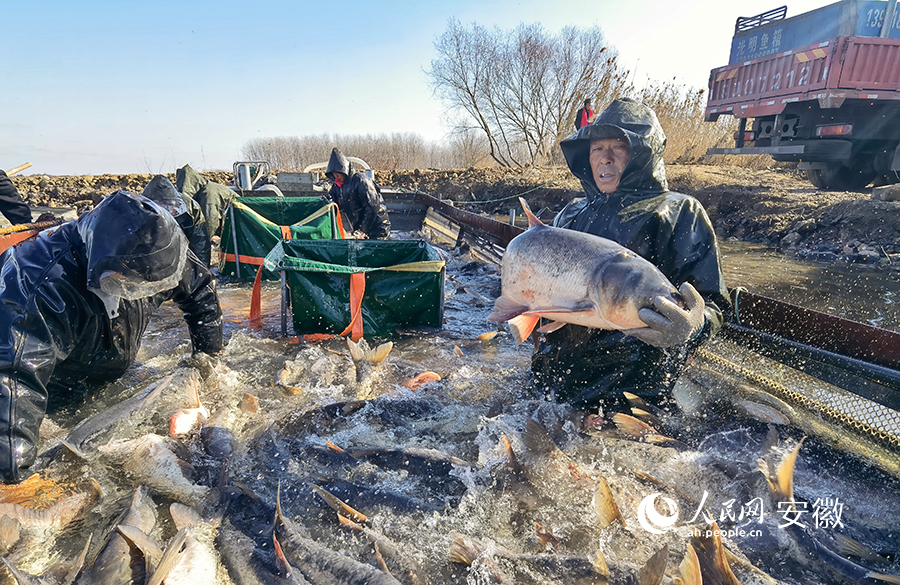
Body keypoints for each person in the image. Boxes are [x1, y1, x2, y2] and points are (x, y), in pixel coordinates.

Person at [0, 190, 224, 483]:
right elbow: (15, 380)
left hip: (106, 357)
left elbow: (200, 291)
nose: (148, 291)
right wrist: (15, 476)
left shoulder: (161, 248)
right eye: (137, 284)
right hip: (51, 379)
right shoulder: (37, 287)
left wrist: (209, 359)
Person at [532, 97, 731, 411]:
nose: (605, 159)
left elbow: (713, 302)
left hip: (632, 393)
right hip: (552, 384)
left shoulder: (680, 212)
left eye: (619, 147)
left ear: (642, 153)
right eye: (597, 149)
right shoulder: (570, 214)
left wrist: (693, 326)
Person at [142, 174, 212, 266]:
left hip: (182, 246)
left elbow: (199, 242)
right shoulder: (138, 210)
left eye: (170, 207)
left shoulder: (191, 208)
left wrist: (202, 271)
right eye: (162, 208)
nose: (168, 212)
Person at [325, 147, 390, 239]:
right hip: (357, 226)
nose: (336, 178)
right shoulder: (337, 186)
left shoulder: (362, 182)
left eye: (337, 175)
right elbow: (331, 198)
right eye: (334, 176)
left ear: (343, 171)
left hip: (377, 227)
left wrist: (362, 230)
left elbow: (372, 207)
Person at [175, 164, 237, 241]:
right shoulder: (203, 191)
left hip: (239, 222)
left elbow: (211, 222)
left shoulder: (209, 193)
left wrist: (203, 242)